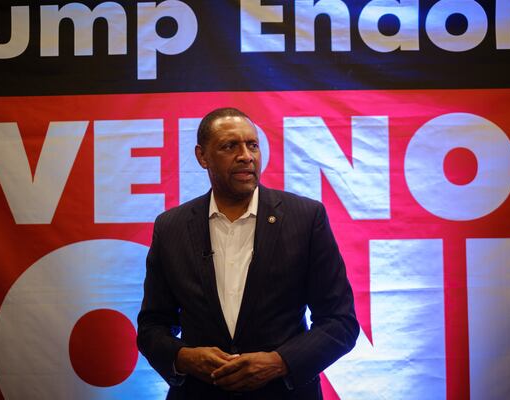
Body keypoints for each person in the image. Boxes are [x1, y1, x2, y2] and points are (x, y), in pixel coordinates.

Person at [137, 107, 359, 399]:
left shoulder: (306, 218)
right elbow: (152, 327)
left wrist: (280, 362)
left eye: (252, 144)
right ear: (202, 156)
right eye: (230, 146)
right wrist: (183, 357)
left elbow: (339, 322)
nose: (246, 156)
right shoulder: (171, 228)